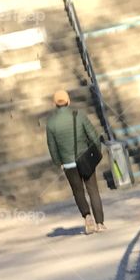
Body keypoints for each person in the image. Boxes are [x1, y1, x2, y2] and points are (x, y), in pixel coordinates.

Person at [45, 90, 106, 234]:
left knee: (78, 192)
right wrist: (97, 151)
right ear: (69, 101)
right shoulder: (79, 115)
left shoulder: (51, 123)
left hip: (68, 163)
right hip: (84, 158)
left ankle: (87, 216)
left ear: (54, 104)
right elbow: (93, 135)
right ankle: (100, 223)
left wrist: (58, 161)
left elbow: (52, 146)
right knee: (93, 190)